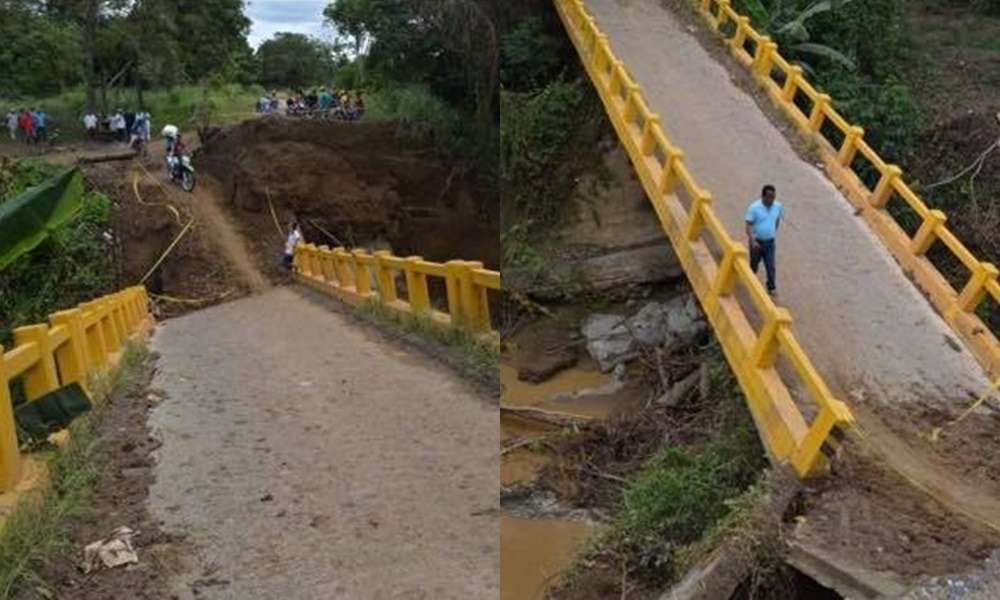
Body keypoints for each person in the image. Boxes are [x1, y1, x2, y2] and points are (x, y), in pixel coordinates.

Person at [745, 184, 784, 297]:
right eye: (769, 197)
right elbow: (748, 225)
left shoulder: (778, 206)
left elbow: (777, 219)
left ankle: (771, 287)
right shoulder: (754, 208)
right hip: (757, 242)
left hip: (770, 242)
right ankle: (750, 282)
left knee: (770, 266)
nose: (771, 200)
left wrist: (773, 232)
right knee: (754, 264)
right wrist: (752, 240)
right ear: (763, 196)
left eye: (773, 197)